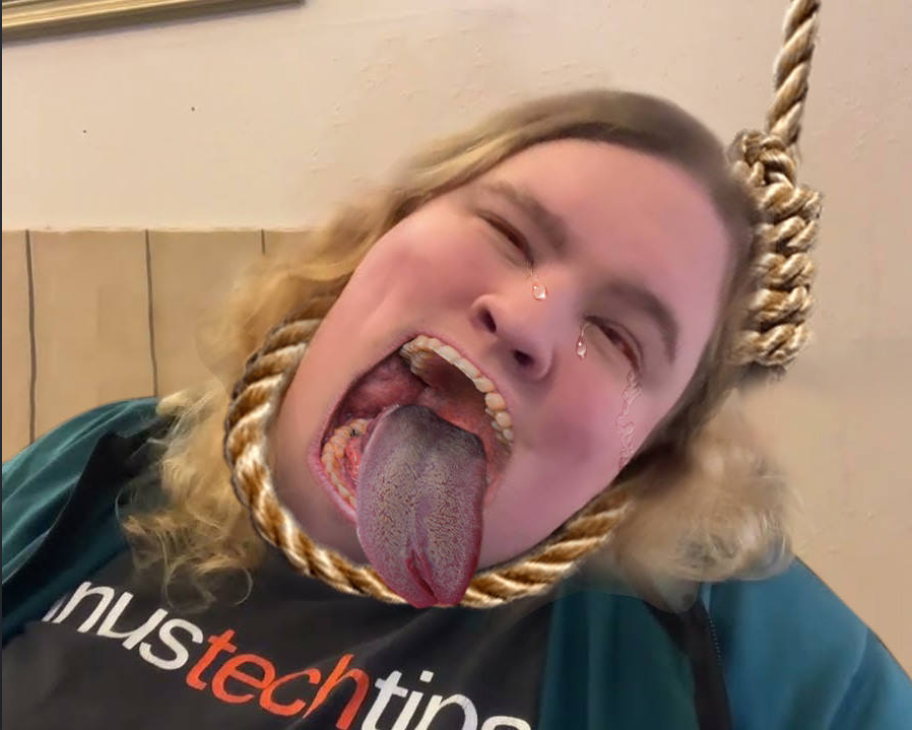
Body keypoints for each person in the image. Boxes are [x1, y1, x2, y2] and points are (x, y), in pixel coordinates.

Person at [2, 90, 909, 730]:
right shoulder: (105, 465)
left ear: (648, 454)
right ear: (374, 241)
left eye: (620, 338)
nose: (526, 319)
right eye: (508, 233)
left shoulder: (745, 652)